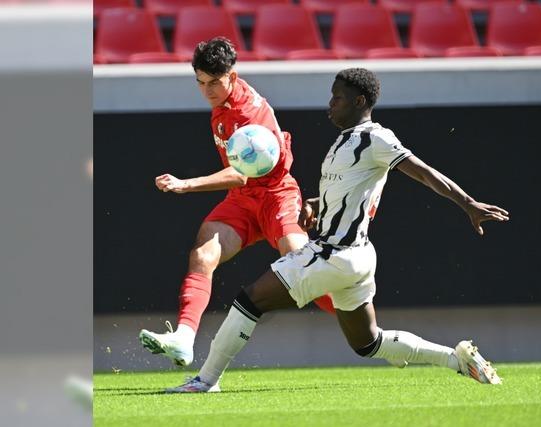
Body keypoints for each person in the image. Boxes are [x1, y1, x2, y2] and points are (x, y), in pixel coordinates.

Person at [165, 68, 509, 392]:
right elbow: (350, 191)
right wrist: (315, 204)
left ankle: (206, 380)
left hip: (334, 254)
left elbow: (422, 171)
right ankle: (457, 359)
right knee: (368, 343)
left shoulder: (374, 138)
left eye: (338, 98)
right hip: (356, 259)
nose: (330, 104)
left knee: (248, 301)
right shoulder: (346, 143)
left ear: (359, 102)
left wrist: (468, 204)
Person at [138, 37, 334, 367]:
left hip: (275, 196)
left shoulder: (247, 112)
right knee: (203, 254)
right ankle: (184, 339)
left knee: (304, 265)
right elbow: (243, 183)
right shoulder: (223, 105)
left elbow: (241, 174)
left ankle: (367, 329)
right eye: (201, 82)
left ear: (232, 74)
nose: (207, 90)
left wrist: (186, 184)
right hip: (244, 201)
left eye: (214, 82)